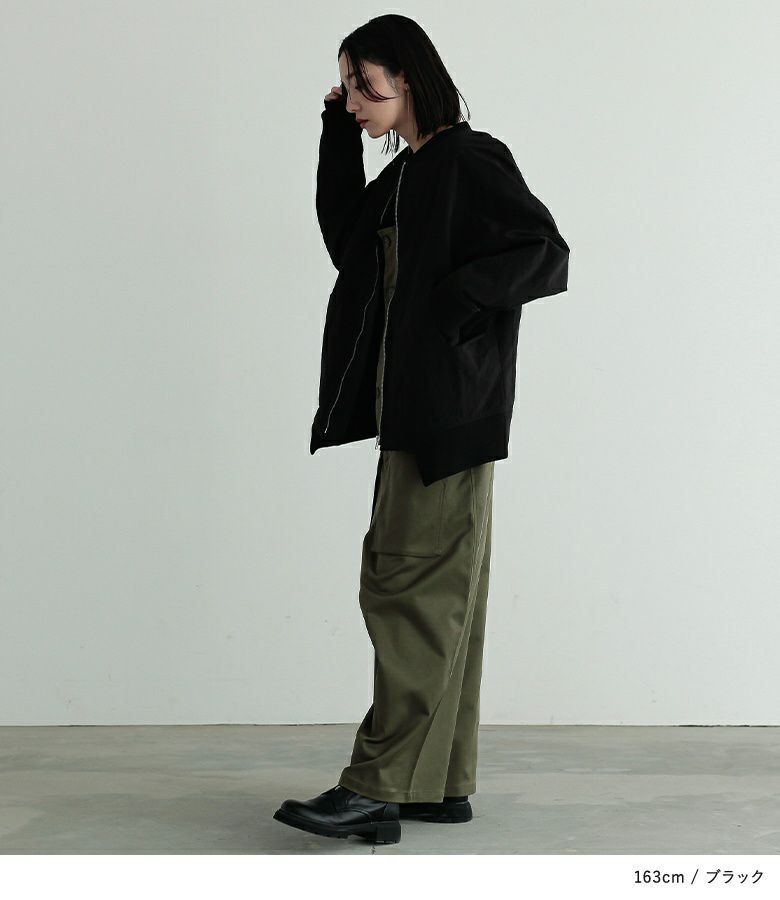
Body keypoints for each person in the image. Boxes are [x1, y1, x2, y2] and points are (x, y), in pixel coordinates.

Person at [273, 13, 570, 845]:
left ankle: (375, 789)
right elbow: (348, 242)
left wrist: (450, 308)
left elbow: (544, 251)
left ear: (409, 78)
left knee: (408, 593)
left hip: (446, 412)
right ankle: (437, 784)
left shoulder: (469, 159)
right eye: (348, 86)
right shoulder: (408, 172)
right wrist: (337, 134)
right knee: (434, 593)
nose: (355, 99)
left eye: (365, 85)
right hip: (417, 411)